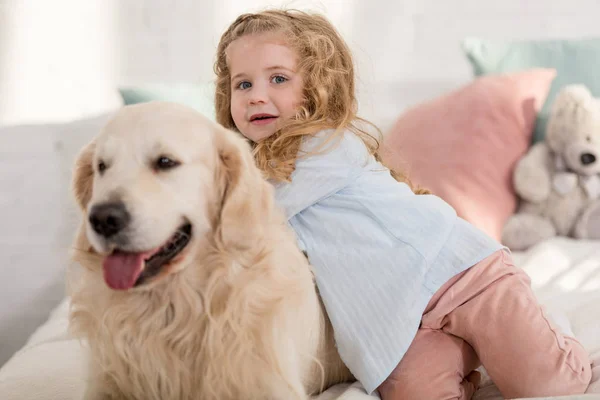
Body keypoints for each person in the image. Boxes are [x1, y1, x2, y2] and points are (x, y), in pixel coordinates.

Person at [213, 9, 592, 399]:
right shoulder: (255, 171)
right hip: (395, 327)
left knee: (549, 385)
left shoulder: (324, 144)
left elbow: (255, 218)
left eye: (278, 78)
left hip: (460, 275)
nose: (257, 94)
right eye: (243, 84)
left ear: (314, 88)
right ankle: (476, 359)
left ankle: (552, 340)